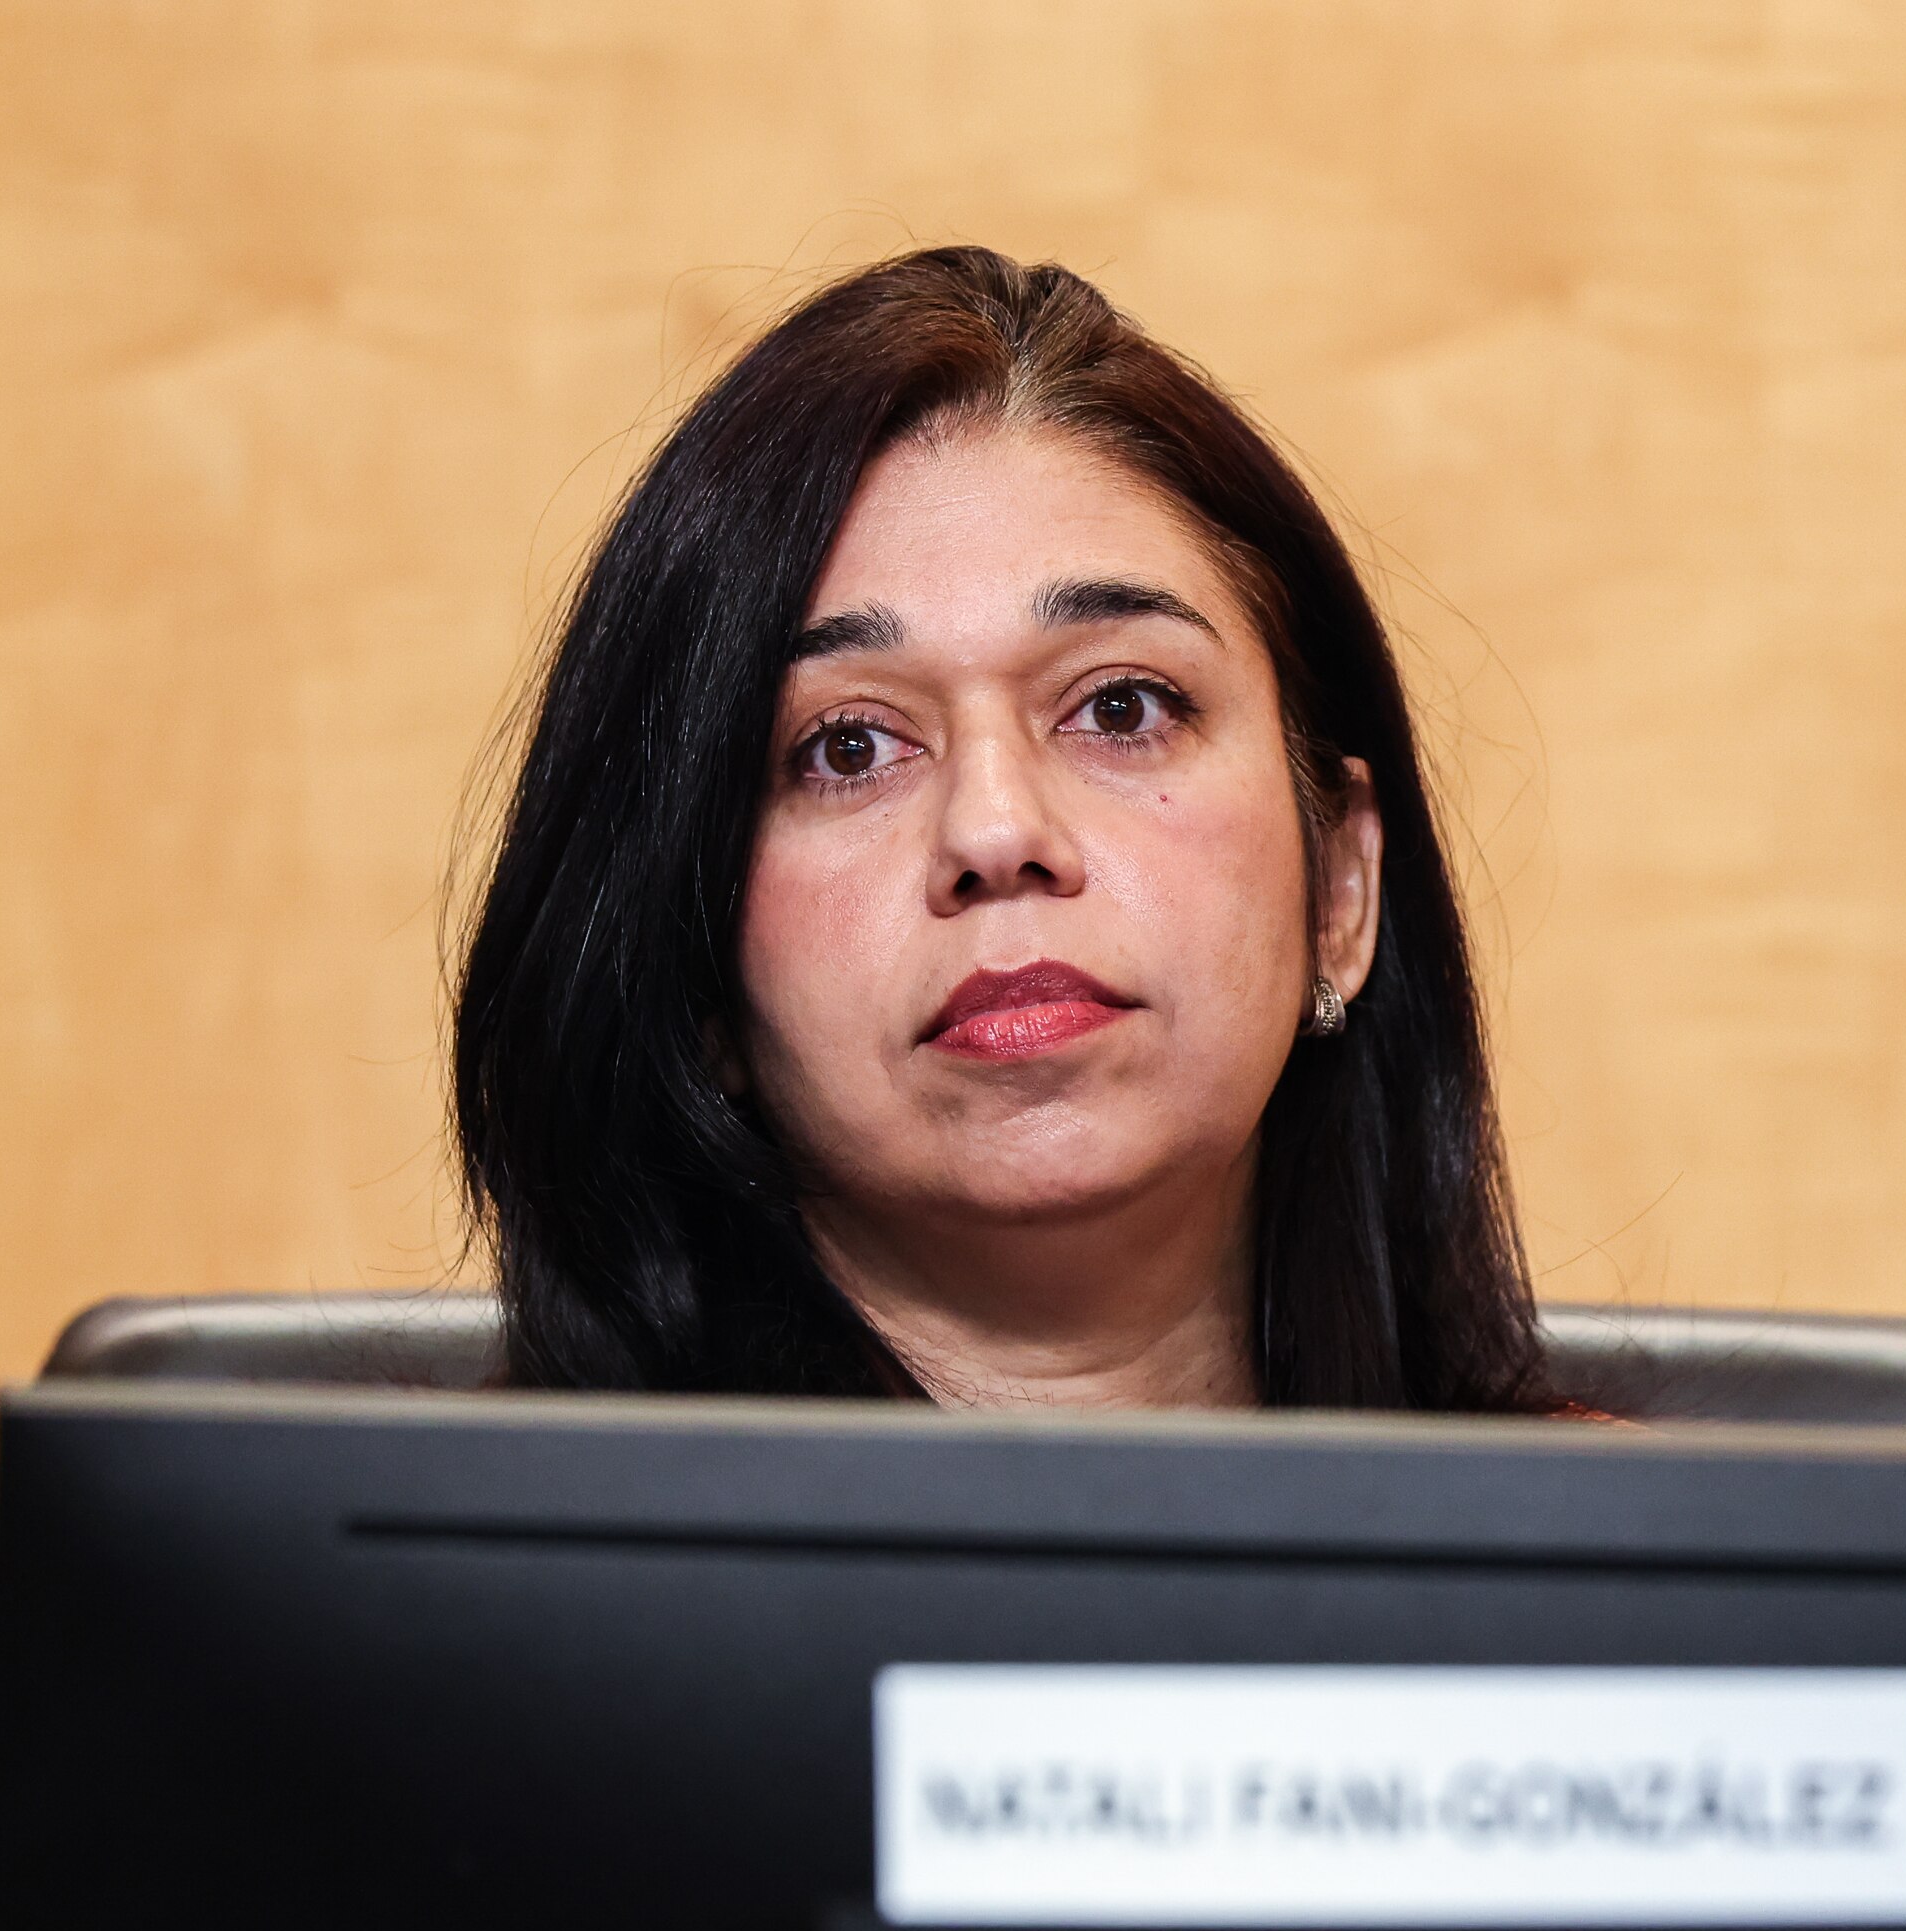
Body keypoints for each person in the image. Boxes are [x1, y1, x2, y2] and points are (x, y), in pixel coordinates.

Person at [452, 246, 1558, 1415]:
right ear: (700, 975)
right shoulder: (449, 1600)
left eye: (1120, 707)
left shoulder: (1643, 1583)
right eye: (847, 748)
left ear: (1339, 885)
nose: (994, 830)